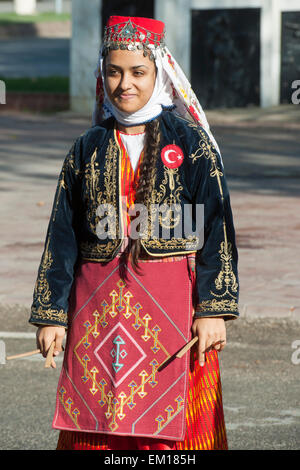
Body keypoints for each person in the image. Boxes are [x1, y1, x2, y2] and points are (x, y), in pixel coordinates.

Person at [29, 15, 239, 451]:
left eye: (137, 72)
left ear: (159, 72)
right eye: (113, 71)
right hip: (98, 312)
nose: (124, 83)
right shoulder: (86, 148)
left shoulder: (193, 145)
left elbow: (216, 231)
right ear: (101, 74)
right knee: (98, 421)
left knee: (171, 434)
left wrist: (214, 309)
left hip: (175, 311)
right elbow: (62, 237)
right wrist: (51, 314)